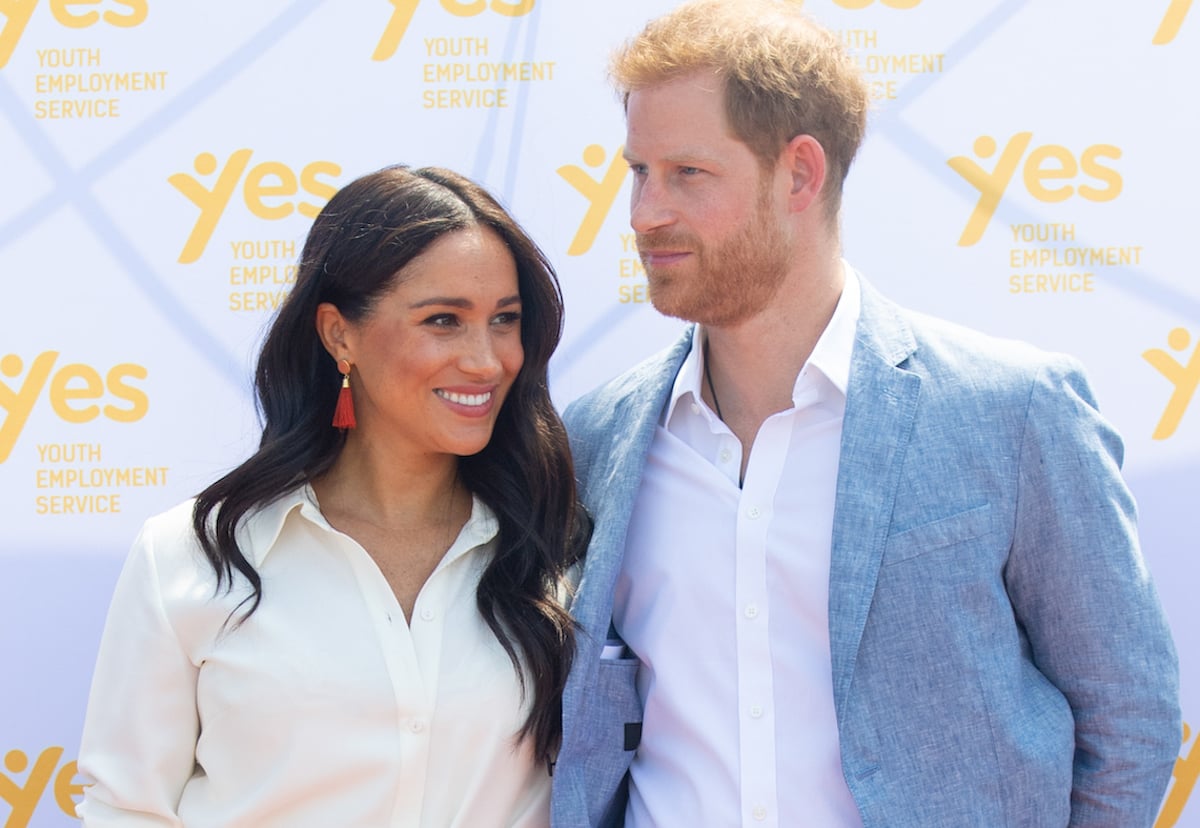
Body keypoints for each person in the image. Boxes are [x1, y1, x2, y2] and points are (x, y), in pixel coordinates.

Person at [550, 2, 1181, 826]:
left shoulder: (1011, 413)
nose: (642, 213)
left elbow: (1129, 717)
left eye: (687, 175)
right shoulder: (598, 437)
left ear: (800, 174)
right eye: (638, 171)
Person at [76, 164, 589, 827]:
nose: (487, 360)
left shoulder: (555, 549)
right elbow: (126, 810)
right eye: (443, 320)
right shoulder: (193, 555)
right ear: (338, 335)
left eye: (505, 320)